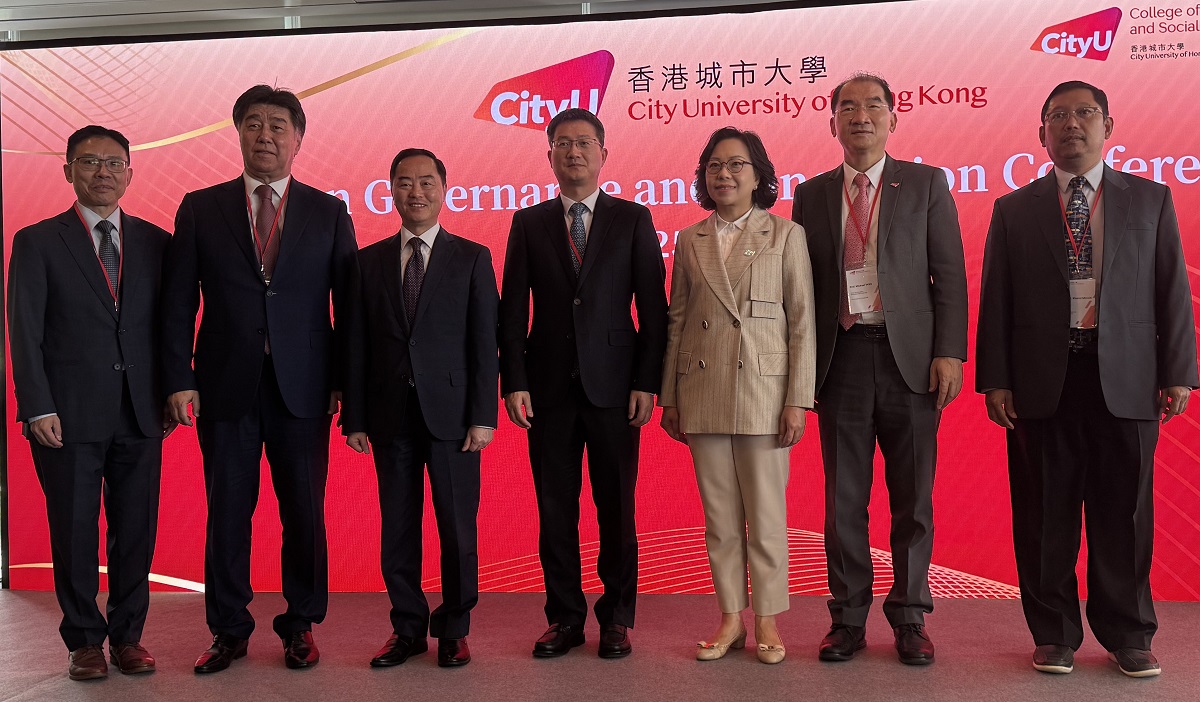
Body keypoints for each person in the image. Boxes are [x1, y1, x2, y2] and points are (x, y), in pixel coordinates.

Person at [976, 80, 1197, 678]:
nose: (1072, 124)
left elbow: (1172, 289)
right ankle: (1053, 634)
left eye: (1085, 114)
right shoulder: (1013, 209)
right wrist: (995, 379)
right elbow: (996, 298)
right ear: (1040, 133)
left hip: (1128, 380)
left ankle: (1129, 634)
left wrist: (1179, 371)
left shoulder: (1150, 200)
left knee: (1123, 516)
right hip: (1043, 382)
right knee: (1045, 514)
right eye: (1058, 116)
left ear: (1108, 128)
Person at [161, 85, 358, 673]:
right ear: (238, 132)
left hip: (305, 388)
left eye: (278, 125)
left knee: (304, 512)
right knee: (227, 513)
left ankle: (301, 625)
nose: (265, 135)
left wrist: (345, 383)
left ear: (299, 138)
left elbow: (347, 308)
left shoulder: (328, 211)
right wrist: (178, 376)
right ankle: (228, 628)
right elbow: (177, 305)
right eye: (253, 124)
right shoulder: (201, 206)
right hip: (224, 386)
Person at [790, 73, 968, 665]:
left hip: (909, 359)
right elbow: (805, 288)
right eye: (847, 107)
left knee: (912, 496)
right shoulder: (811, 195)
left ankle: (911, 618)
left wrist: (949, 351)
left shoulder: (924, 183)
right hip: (839, 358)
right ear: (832, 121)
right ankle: (846, 619)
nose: (860, 115)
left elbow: (950, 273)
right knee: (843, 499)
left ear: (894, 117)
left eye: (873, 106)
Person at [499, 108, 668, 659]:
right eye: (563, 144)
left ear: (603, 154)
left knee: (617, 508)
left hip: (616, 389)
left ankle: (617, 618)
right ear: (548, 155)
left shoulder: (633, 218)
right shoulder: (528, 223)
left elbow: (654, 310)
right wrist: (514, 381)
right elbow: (511, 312)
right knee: (556, 510)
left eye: (584, 143)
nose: (574, 153)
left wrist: (647, 381)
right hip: (546, 391)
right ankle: (565, 617)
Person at [8, 125, 171, 681]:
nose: (103, 172)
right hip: (66, 415)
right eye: (89, 162)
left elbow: (169, 329)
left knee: (136, 531)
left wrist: (174, 388)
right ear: (68, 171)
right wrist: (36, 405)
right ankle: (83, 641)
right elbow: (23, 331)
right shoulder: (37, 240)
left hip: (141, 412)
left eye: (114, 163)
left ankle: (129, 638)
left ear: (130, 171)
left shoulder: (155, 241)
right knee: (74, 531)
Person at [659, 127, 815, 664]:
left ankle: (768, 619)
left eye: (736, 165)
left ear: (758, 175)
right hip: (701, 388)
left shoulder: (785, 235)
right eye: (714, 166)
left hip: (764, 392)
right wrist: (669, 397)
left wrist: (799, 398)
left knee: (767, 515)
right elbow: (676, 320)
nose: (724, 174)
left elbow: (802, 323)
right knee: (720, 518)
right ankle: (730, 619)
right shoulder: (688, 239)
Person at [343, 148, 499, 669]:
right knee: (399, 528)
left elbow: (484, 343)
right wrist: (356, 416)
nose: (416, 193)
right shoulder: (366, 261)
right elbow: (356, 344)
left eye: (426, 183)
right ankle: (406, 627)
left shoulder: (473, 257)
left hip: (453, 417)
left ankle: (454, 628)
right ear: (390, 191)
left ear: (444, 188)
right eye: (405, 183)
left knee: (458, 526)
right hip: (389, 417)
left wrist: (483, 415)